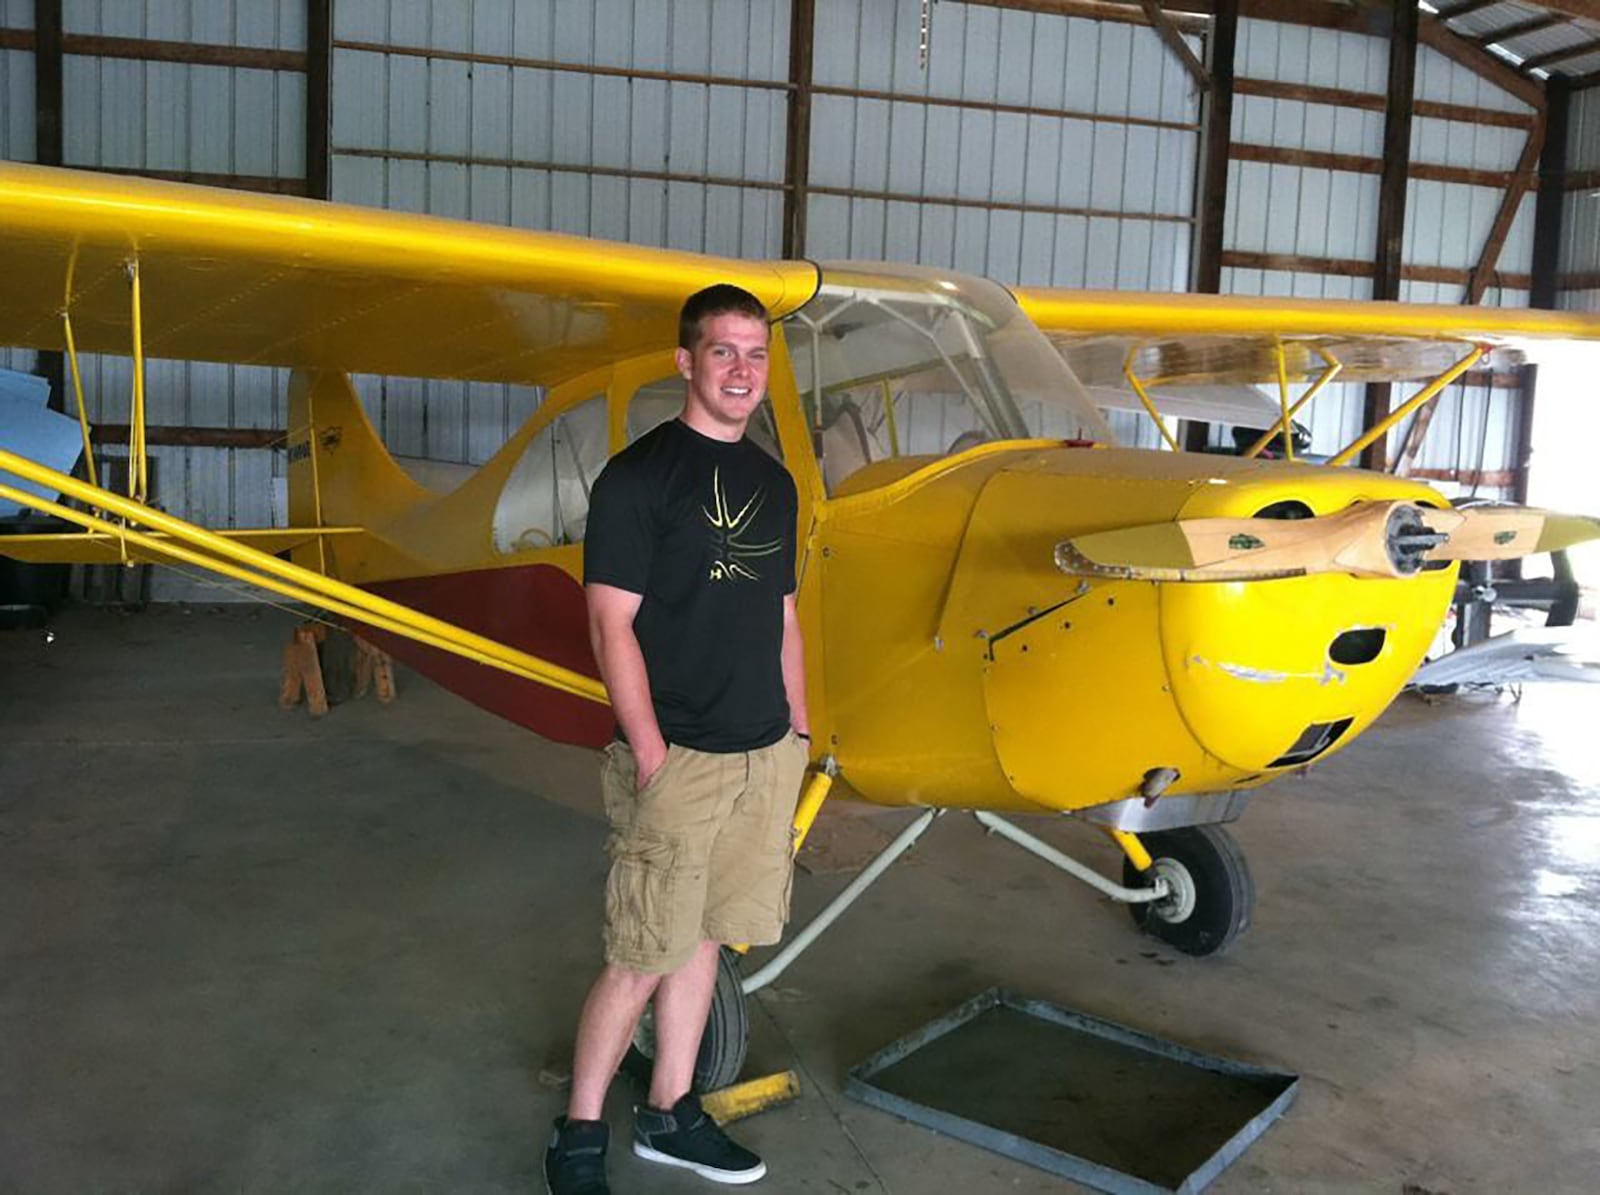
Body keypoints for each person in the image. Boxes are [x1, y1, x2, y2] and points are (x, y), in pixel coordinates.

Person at [544, 283, 811, 1194]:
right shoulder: (638, 479)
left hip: (763, 754)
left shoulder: (775, 484)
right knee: (639, 956)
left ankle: (670, 1111)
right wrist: (652, 752)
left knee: (705, 943)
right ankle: (579, 1131)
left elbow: (783, 618)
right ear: (685, 362)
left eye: (755, 354)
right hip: (680, 759)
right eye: (723, 351)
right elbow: (609, 624)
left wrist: (798, 731)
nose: (741, 370)